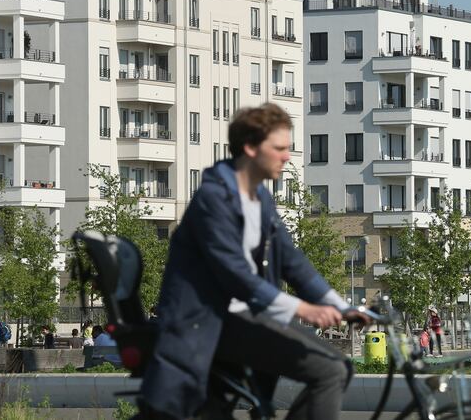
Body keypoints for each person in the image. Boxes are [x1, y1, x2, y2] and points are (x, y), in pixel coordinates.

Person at [139, 103, 367, 420]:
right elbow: (235, 274)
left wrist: (340, 306)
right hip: (211, 322)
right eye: (279, 148)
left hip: (249, 318)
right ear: (249, 147)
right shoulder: (214, 199)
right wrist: (303, 309)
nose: (287, 156)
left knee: (338, 366)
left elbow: (292, 261)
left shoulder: (261, 200)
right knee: (328, 371)